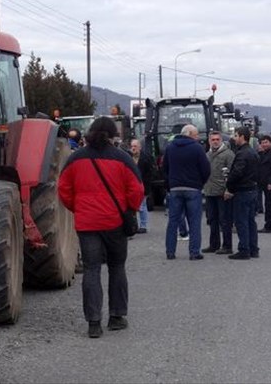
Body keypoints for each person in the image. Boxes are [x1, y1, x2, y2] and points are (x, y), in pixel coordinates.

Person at [58, 117, 144, 339]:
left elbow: (64, 189)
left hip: (87, 223)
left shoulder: (76, 158)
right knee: (117, 267)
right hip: (114, 222)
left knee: (91, 269)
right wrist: (129, 210)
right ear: (112, 134)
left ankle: (93, 323)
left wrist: (79, 208)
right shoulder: (122, 158)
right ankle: (116, 317)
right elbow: (136, 190)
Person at [162, 124, 211, 260]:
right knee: (194, 222)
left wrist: (170, 184)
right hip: (193, 189)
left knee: (173, 222)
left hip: (175, 189)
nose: (197, 138)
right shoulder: (197, 148)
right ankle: (194, 252)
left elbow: (164, 167)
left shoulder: (170, 147)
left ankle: (170, 252)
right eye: (196, 135)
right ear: (189, 134)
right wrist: (200, 183)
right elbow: (206, 169)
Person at [224, 127, 260, 260]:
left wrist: (229, 187)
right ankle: (253, 248)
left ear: (242, 137)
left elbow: (237, 173)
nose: (233, 138)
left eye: (236, 135)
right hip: (253, 189)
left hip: (243, 191)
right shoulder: (253, 152)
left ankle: (244, 249)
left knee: (241, 221)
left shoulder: (242, 154)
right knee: (251, 221)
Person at [203, 130, 235, 254]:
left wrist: (229, 190)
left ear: (221, 140)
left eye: (217, 139)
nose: (215, 142)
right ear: (209, 141)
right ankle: (214, 244)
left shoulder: (228, 154)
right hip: (210, 192)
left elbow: (232, 174)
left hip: (223, 193)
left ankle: (227, 246)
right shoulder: (207, 155)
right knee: (212, 220)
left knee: (225, 220)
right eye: (213, 140)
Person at [129, 138, 155, 234]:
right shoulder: (128, 157)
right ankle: (134, 225)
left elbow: (150, 172)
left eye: (135, 146)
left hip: (142, 184)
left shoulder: (145, 158)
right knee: (132, 206)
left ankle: (143, 225)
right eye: (132, 146)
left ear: (139, 147)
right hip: (131, 186)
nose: (133, 148)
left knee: (142, 206)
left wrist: (146, 185)